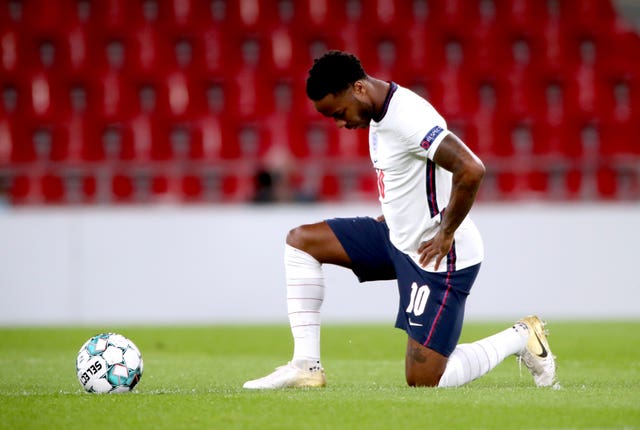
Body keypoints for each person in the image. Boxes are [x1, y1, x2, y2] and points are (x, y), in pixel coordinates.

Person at [243, 50, 557, 389]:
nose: (340, 124)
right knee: (301, 242)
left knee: (424, 380)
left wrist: (446, 232)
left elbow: (471, 168)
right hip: (396, 237)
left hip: (435, 256)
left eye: (339, 113)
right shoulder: (379, 112)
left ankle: (521, 337)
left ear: (359, 89)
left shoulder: (407, 117)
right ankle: (306, 366)